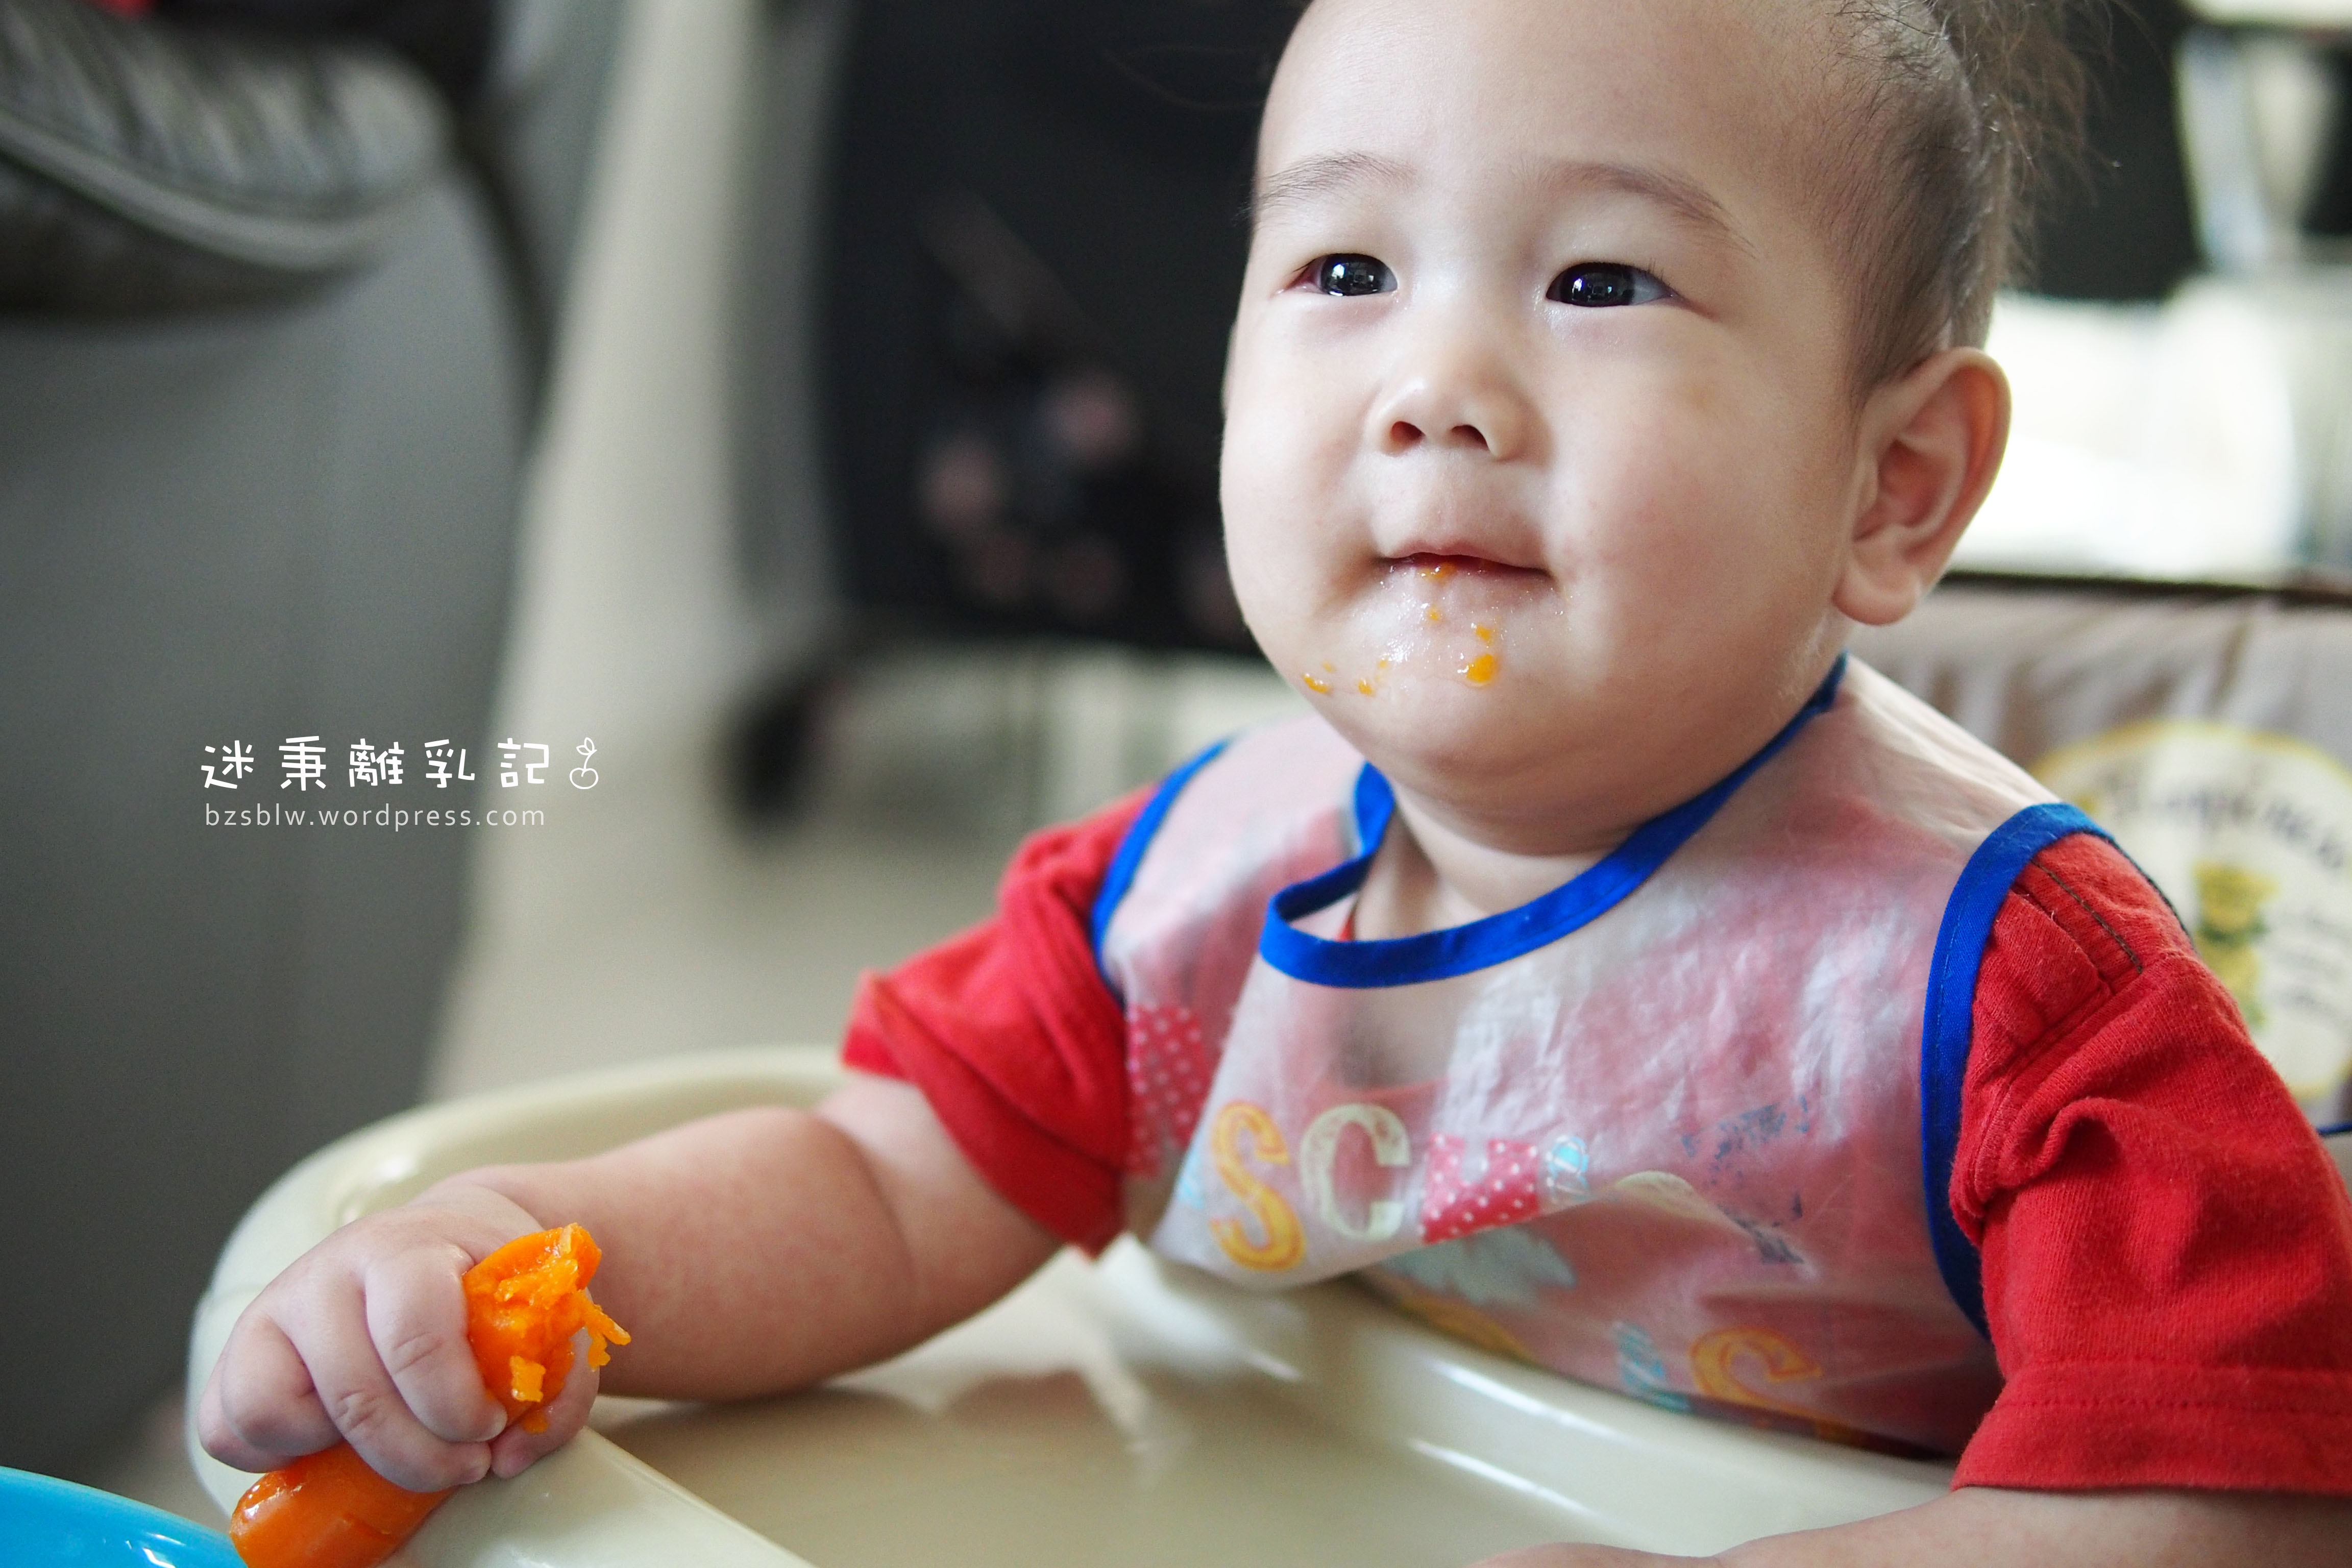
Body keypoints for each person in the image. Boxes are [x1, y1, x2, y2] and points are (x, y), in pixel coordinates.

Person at [199, 0, 2352, 1560]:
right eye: (1345, 271)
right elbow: (879, 1189)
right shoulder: (1188, 899)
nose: (1435, 386)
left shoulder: (2018, 996)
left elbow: (2221, 1513)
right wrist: (527, 1255)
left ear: (1893, 484)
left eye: (1600, 279)